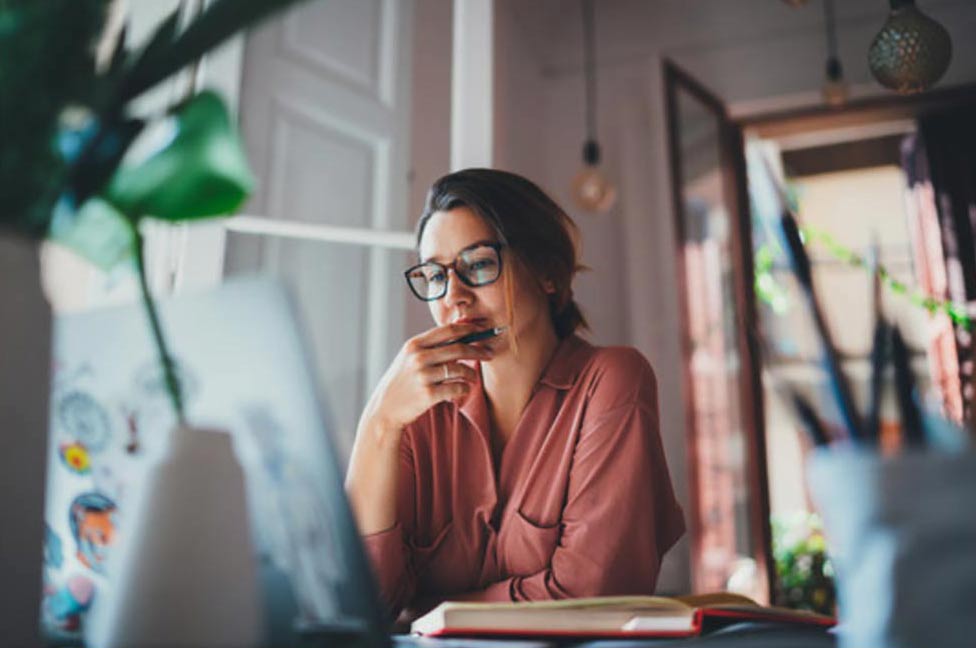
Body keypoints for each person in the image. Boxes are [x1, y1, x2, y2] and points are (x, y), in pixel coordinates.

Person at [345, 169, 684, 619]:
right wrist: (379, 424)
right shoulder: (415, 412)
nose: (455, 299)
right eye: (434, 275)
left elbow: (592, 597)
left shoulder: (612, 381)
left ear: (547, 272)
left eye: (479, 264)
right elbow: (361, 606)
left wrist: (428, 610)